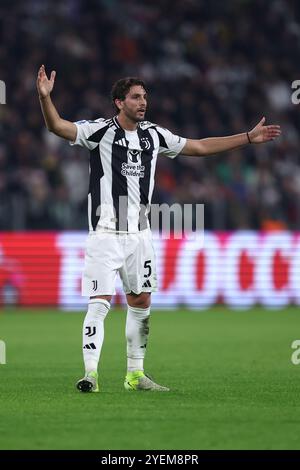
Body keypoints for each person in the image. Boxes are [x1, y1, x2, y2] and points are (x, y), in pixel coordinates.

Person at [36, 65, 281, 392]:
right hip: (106, 231)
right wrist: (45, 99)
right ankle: (90, 374)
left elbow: (200, 147)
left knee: (141, 302)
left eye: (145, 97)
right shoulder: (100, 131)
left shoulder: (154, 134)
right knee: (99, 302)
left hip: (140, 234)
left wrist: (247, 138)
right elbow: (57, 126)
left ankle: (135, 375)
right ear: (118, 102)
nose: (143, 102)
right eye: (136, 97)